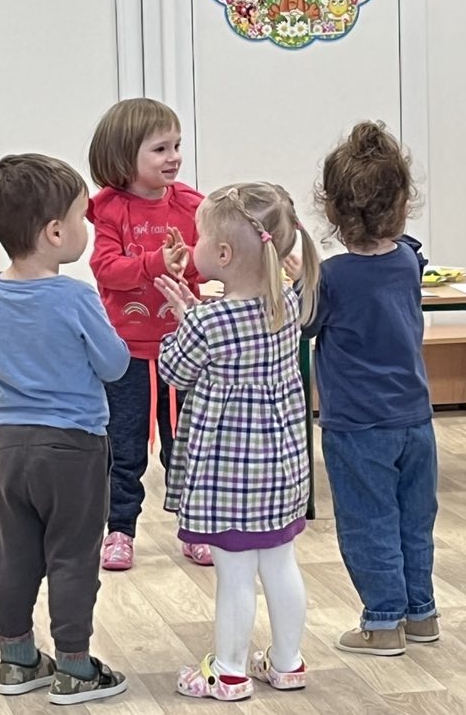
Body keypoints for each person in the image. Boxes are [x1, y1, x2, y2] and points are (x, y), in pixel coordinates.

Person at [0, 154, 131, 705]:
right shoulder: (76, 297)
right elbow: (114, 365)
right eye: (84, 217)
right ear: (55, 232)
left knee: (13, 554)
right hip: (73, 446)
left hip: (9, 445)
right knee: (72, 556)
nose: (88, 227)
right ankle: (75, 667)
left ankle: (17, 660)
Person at [154, 182, 320, 702]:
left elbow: (173, 371)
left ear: (223, 255)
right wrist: (194, 319)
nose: (194, 244)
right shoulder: (286, 303)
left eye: (199, 237)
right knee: (281, 565)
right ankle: (288, 663)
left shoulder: (210, 321)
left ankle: (228, 672)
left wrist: (183, 324)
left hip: (229, 475)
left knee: (234, 574)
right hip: (282, 467)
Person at [307, 121, 441, 656]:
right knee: (414, 521)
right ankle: (421, 614)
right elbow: (404, 249)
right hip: (415, 420)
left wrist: (299, 276)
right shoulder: (407, 261)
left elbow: (304, 324)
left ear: (334, 210)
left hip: (357, 425)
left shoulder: (332, 277)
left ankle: (383, 622)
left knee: (368, 522)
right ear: (402, 204)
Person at [85, 98, 212, 571]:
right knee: (125, 446)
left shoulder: (193, 205)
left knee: (188, 445)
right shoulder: (111, 210)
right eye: (160, 149)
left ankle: (195, 529)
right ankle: (119, 531)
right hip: (129, 355)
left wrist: (193, 262)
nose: (174, 157)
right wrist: (158, 261)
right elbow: (106, 270)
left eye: (176, 145)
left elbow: (210, 262)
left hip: (185, 350)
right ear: (124, 157)